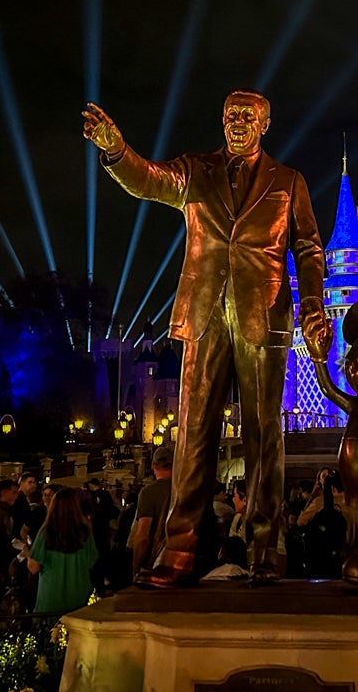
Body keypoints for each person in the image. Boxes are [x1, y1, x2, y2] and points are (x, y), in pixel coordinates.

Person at [85, 91, 330, 586]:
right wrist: (116, 151)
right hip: (204, 314)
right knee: (194, 432)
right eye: (229, 116)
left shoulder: (289, 183)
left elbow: (308, 247)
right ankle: (179, 547)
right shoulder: (197, 171)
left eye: (247, 116)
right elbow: (149, 180)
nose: (237, 123)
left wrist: (312, 307)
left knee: (265, 435)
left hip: (264, 314)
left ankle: (266, 547)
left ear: (265, 123)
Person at [28, 487, 99, 616]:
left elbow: (34, 567)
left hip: (51, 598)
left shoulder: (46, 532)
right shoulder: (85, 533)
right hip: (80, 596)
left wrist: (27, 553)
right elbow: (91, 562)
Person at [126, 448, 173, 578]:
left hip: (155, 562)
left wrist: (135, 569)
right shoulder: (182, 491)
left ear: (153, 466)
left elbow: (143, 535)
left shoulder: (148, 493)